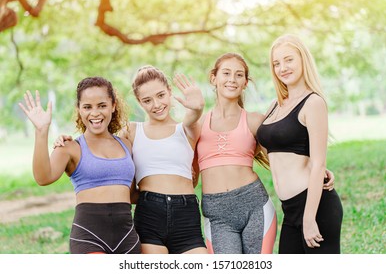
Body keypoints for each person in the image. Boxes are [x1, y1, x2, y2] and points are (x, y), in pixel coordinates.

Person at [54, 67, 208, 254]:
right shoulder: (132, 132)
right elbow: (101, 141)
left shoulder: (186, 129)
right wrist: (64, 140)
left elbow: (193, 118)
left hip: (186, 216)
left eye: (161, 95)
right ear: (139, 102)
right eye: (147, 100)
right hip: (150, 212)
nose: (156, 104)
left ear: (169, 91)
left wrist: (198, 107)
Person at [195, 52, 335, 254]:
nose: (232, 80)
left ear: (245, 83)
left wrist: (318, 167)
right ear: (213, 78)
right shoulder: (197, 124)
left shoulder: (255, 121)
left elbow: (280, 154)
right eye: (226, 73)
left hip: (254, 205)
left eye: (239, 75)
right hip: (216, 212)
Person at [18, 77, 141, 254]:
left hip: (127, 237)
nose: (95, 113)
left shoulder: (126, 145)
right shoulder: (70, 148)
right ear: (79, 110)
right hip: (89, 237)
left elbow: (132, 194)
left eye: (102, 105)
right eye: (87, 107)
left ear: (113, 106)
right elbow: (43, 177)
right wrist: (41, 132)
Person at [256, 34, 343, 253]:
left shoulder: (313, 102)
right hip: (290, 209)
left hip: (315, 207)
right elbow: (271, 149)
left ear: (303, 59)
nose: (282, 67)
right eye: (276, 63)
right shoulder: (276, 105)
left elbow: (318, 163)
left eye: (288, 60)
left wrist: (309, 218)